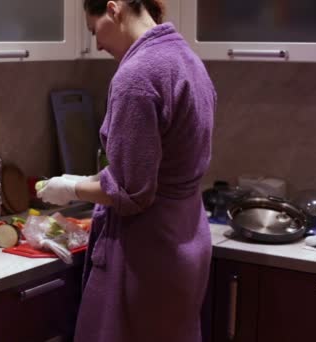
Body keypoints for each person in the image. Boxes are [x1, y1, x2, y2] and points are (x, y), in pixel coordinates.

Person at [37, 1, 216, 341]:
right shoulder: (187, 60)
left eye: (94, 31)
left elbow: (131, 192)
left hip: (148, 250)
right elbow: (154, 167)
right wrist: (86, 180)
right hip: (187, 240)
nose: (98, 44)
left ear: (113, 9)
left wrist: (71, 189)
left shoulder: (137, 75)